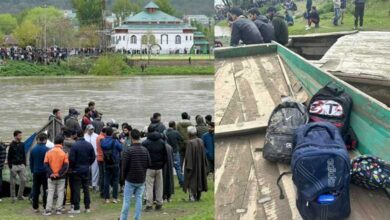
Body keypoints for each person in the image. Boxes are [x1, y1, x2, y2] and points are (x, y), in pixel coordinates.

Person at [119, 129, 151, 220]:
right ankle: (137, 218)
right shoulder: (145, 150)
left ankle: (123, 218)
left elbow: (124, 166)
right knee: (139, 200)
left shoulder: (128, 150)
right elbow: (149, 163)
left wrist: (123, 178)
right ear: (139, 137)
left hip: (130, 179)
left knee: (126, 201)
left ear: (131, 137)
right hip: (141, 179)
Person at [68, 130, 96, 214]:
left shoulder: (74, 146)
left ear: (76, 135)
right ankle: (87, 207)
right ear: (83, 135)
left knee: (76, 189)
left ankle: (77, 208)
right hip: (86, 169)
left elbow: (71, 159)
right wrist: (88, 164)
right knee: (86, 188)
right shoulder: (89, 145)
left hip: (76, 170)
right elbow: (93, 157)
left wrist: (72, 167)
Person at [142, 126, 167, 211]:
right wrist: (162, 165)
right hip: (159, 167)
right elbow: (165, 155)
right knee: (159, 186)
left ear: (148, 132)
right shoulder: (162, 142)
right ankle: (159, 203)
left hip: (149, 168)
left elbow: (144, 156)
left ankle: (149, 204)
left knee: (149, 186)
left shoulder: (145, 143)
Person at [43, 135, 69, 216]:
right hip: (61, 177)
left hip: (51, 177)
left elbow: (45, 164)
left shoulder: (48, 152)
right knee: (60, 192)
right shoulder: (64, 153)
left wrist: (51, 173)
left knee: (50, 193)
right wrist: (59, 173)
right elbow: (66, 165)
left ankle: (48, 210)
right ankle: (58, 209)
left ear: (54, 142)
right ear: (62, 143)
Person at [183, 126, 208, 201]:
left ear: (189, 133)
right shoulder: (200, 140)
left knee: (191, 179)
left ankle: (192, 197)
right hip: (200, 164)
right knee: (199, 179)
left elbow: (188, 156)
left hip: (192, 165)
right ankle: (198, 195)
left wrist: (188, 166)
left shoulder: (190, 143)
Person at [101, 127, 123, 204]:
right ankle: (115, 197)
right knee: (115, 180)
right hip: (115, 162)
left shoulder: (103, 141)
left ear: (106, 133)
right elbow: (121, 148)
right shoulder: (115, 141)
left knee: (106, 180)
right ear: (112, 133)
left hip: (106, 162)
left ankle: (106, 198)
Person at [30, 133, 50, 212]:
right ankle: (45, 206)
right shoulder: (48, 150)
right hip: (45, 172)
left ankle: (35, 207)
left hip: (36, 171)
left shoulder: (33, 149)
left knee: (36, 189)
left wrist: (32, 170)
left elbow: (31, 162)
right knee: (46, 189)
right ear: (45, 140)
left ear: (38, 140)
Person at [8, 130, 27, 202]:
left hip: (21, 165)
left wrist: (24, 164)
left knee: (24, 180)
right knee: (12, 182)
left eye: (21, 135)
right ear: (15, 136)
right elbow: (9, 156)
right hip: (14, 165)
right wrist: (10, 166)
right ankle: (13, 197)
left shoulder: (22, 144)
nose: (21, 137)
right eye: (19, 135)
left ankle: (20, 195)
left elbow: (24, 154)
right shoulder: (11, 145)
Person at [165, 121, 184, 187]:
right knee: (178, 168)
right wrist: (179, 146)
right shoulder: (176, 132)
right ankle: (181, 182)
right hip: (175, 152)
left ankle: (168, 184)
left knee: (168, 169)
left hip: (167, 153)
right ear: (174, 126)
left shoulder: (165, 132)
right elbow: (182, 139)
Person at [84, 124, 99, 191]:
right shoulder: (84, 136)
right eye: (90, 129)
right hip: (86, 156)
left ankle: (94, 185)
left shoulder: (96, 136)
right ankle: (86, 184)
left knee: (95, 171)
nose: (91, 130)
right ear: (87, 129)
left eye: (92, 129)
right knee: (86, 170)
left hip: (95, 155)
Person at [96, 127, 107, 198]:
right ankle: (103, 192)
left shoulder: (98, 136)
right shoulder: (102, 138)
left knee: (101, 175)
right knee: (103, 176)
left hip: (99, 158)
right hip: (102, 158)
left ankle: (101, 190)